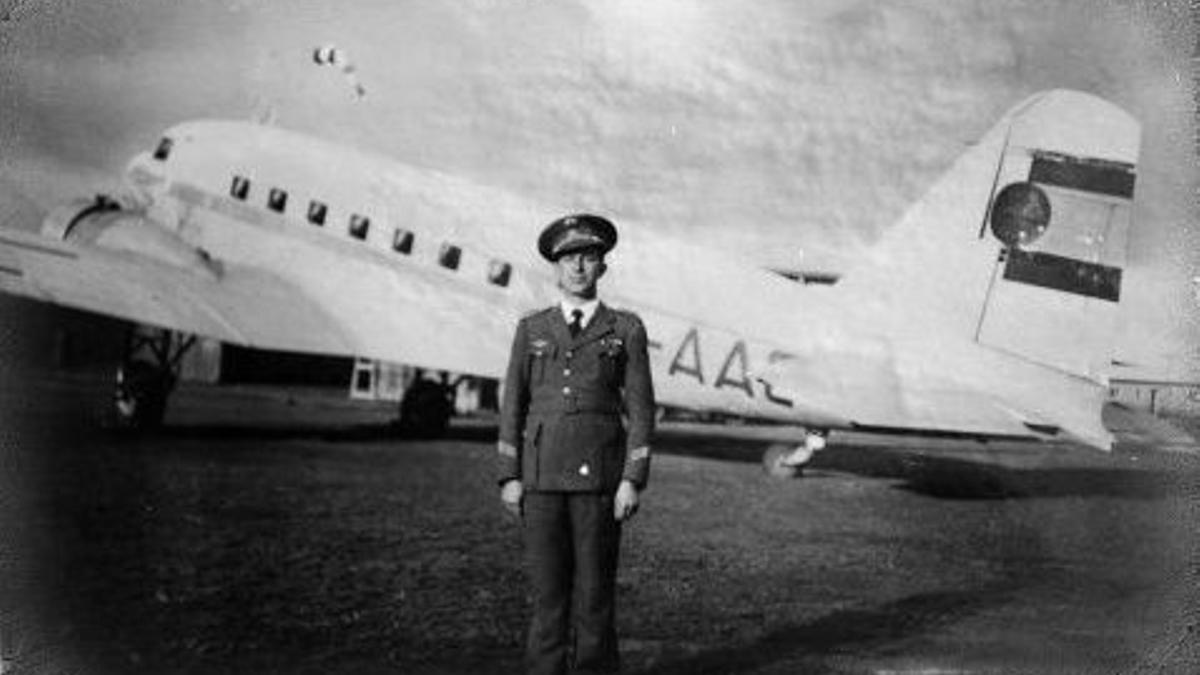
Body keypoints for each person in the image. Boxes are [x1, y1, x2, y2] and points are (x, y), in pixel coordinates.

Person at [497, 213, 655, 675]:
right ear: (556, 268)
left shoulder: (625, 329)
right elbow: (513, 403)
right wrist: (509, 475)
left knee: (594, 598)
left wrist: (632, 478)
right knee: (548, 599)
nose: (578, 268)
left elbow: (642, 410)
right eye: (569, 259)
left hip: (599, 483)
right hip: (542, 479)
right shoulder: (533, 329)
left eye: (588, 257)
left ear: (602, 266)